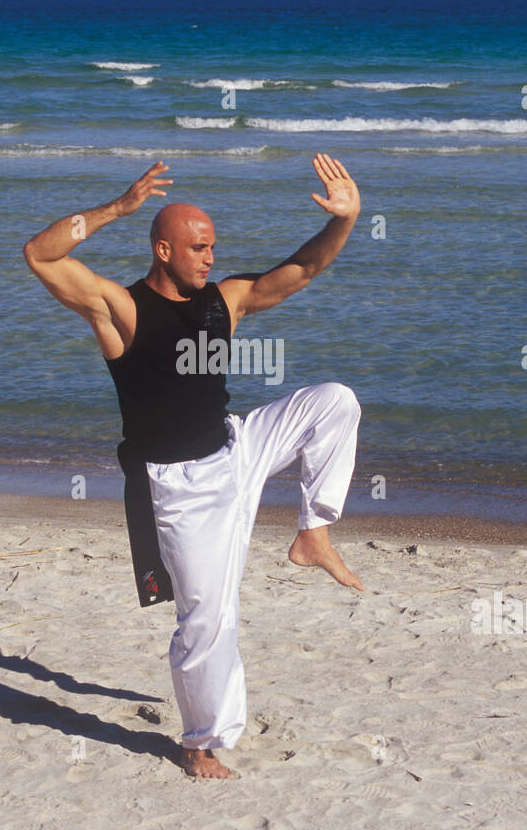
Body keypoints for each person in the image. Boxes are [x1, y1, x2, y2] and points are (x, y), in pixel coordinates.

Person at [23, 153, 363, 778]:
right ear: (162, 250)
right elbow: (39, 255)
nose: (210, 258)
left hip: (237, 447)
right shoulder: (121, 311)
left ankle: (313, 532)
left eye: (213, 248)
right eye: (199, 248)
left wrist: (345, 219)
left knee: (334, 402)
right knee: (205, 618)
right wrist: (116, 209)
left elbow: (306, 269)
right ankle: (197, 744)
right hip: (178, 487)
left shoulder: (223, 301)